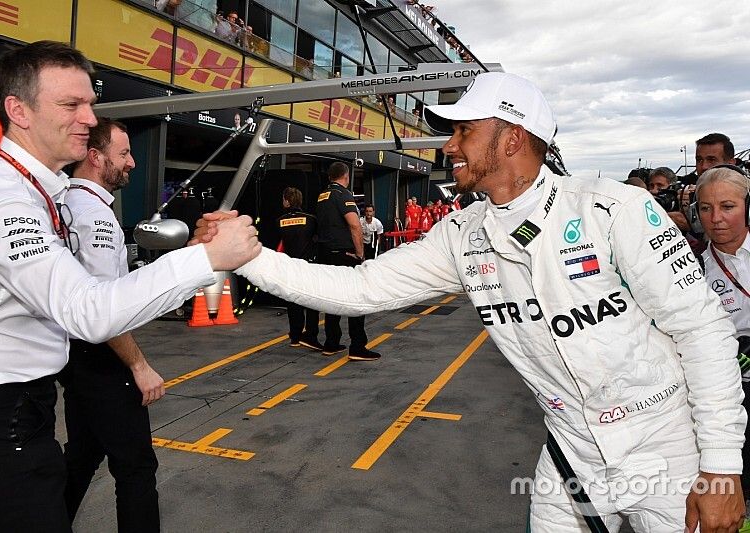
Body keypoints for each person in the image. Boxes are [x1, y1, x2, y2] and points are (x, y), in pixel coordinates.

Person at [195, 72, 745, 532]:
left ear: (511, 138)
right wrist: (247, 258)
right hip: (571, 451)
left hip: (666, 443)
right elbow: (357, 289)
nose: (448, 146)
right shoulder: (462, 234)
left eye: (463, 131)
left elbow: (704, 330)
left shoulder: (613, 210)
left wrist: (722, 468)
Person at [0, 40, 260, 532]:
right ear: (18, 111)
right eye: (70, 105)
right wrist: (206, 259)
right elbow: (89, 310)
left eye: (89, 104)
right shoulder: (3, 201)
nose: (88, 119)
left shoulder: (36, 190)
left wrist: (190, 258)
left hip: (17, 406)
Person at [59, 117, 162, 531]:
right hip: (100, 355)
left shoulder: (65, 201)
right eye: (124, 154)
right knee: (136, 468)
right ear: (95, 157)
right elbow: (102, 309)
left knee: (82, 453)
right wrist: (138, 365)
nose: (133, 163)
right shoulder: (95, 217)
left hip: (72, 355)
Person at [695, 165, 750, 531]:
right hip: (734, 399)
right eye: (705, 208)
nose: (716, 219)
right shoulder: (693, 272)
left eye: (727, 206)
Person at [314, 162, 380, 361]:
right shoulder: (343, 194)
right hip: (344, 255)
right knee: (355, 299)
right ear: (346, 176)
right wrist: (360, 254)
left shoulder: (322, 196)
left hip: (325, 254)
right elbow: (354, 225)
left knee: (333, 298)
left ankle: (331, 343)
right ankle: (358, 346)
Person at [277, 187, 323, 351]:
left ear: (287, 201)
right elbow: (318, 239)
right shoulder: (311, 219)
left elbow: (279, 245)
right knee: (311, 302)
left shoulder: (281, 220)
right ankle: (311, 335)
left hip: (290, 266)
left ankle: (295, 337)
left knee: (293, 302)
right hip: (308, 265)